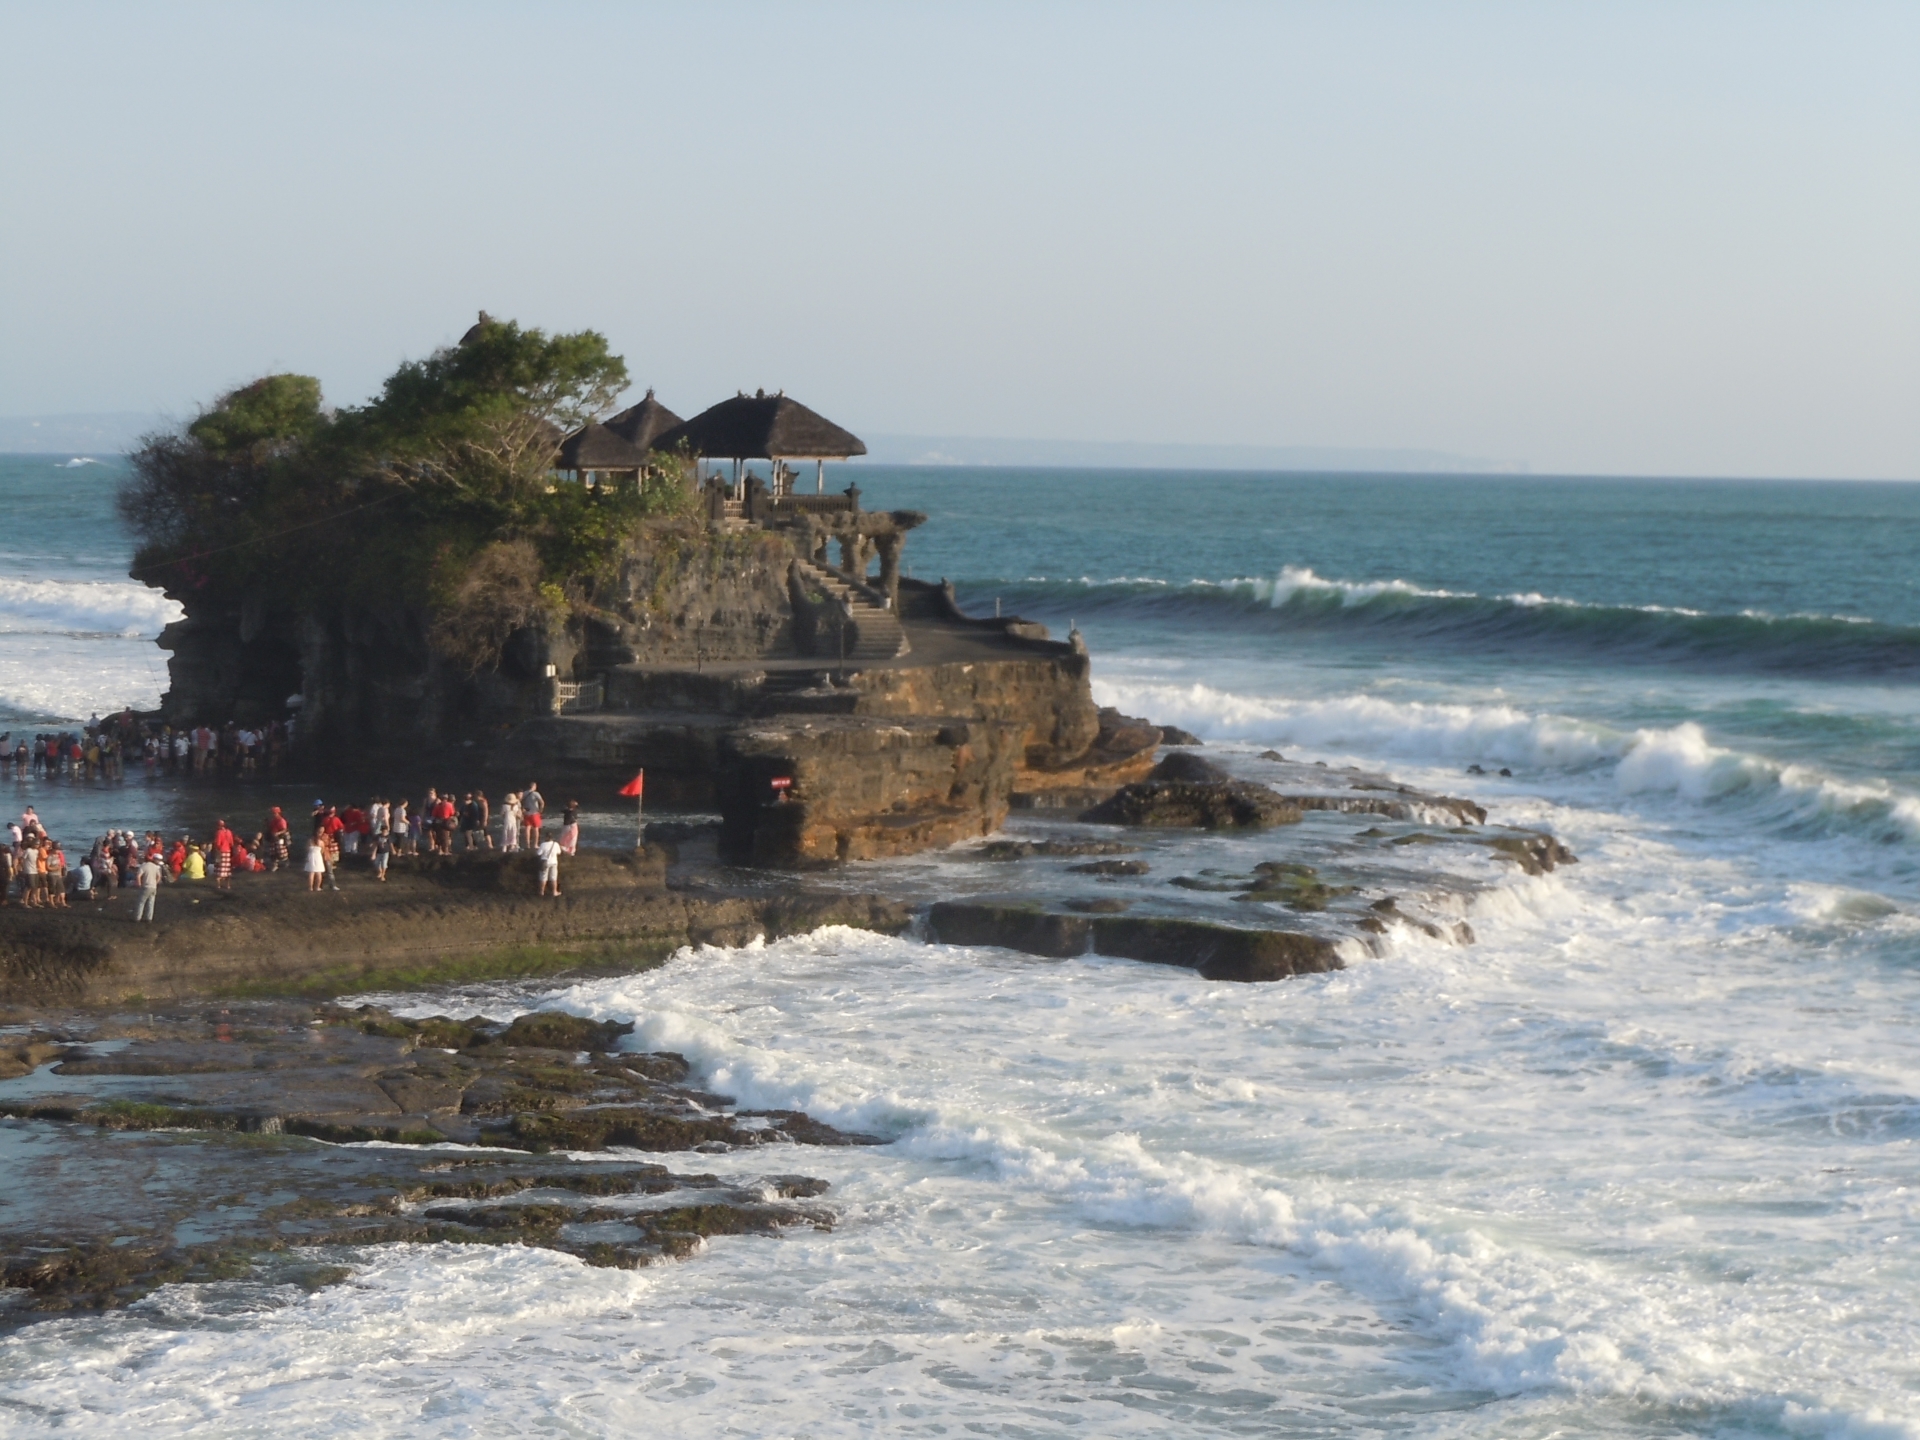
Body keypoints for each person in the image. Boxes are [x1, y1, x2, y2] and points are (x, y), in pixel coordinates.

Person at [135, 849, 164, 922]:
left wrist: (139, 884)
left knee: (141, 902)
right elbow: (159, 876)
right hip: (153, 887)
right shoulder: (156, 867)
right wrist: (155, 882)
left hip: (146, 886)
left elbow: (138, 876)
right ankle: (149, 918)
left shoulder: (143, 866)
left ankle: (138, 918)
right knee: (151, 903)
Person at [536, 830, 562, 898]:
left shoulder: (543, 844)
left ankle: (541, 892)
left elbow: (538, 853)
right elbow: (559, 852)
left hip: (545, 863)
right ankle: (554, 892)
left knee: (543, 878)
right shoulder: (555, 844)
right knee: (553, 878)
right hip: (554, 862)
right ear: (552, 837)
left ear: (546, 837)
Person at [211, 819, 235, 891]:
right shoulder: (229, 832)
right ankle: (228, 885)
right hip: (228, 852)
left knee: (219, 869)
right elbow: (231, 843)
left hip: (221, 852)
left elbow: (218, 844)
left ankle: (218, 886)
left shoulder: (219, 832)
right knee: (227, 869)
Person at [522, 782, 545, 849]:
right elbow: (542, 802)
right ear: (534, 786)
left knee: (527, 828)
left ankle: (527, 845)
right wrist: (540, 810)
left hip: (526, 813)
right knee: (536, 829)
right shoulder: (536, 793)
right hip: (534, 813)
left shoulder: (524, 793)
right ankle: (535, 844)